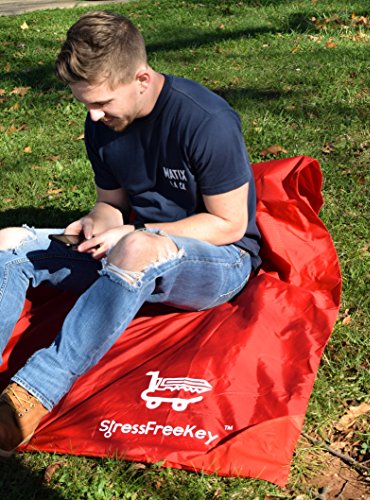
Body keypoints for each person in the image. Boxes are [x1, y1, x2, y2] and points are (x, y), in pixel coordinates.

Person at [0, 11, 261, 457]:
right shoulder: (102, 122)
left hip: (219, 258)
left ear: (141, 78)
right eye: (86, 103)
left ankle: (28, 400)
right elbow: (112, 202)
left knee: (137, 246)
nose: (93, 114)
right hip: (132, 245)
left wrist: (135, 233)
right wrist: (98, 220)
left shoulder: (206, 120)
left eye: (102, 102)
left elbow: (229, 224)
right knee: (9, 242)